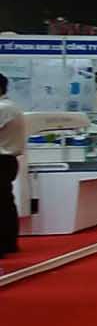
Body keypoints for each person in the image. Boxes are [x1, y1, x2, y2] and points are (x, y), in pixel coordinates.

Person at [0, 73, 26, 255]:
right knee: (5, 203)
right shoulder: (9, 107)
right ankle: (8, 243)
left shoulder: (4, 108)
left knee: (3, 204)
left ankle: (4, 244)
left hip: (2, 160)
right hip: (6, 160)